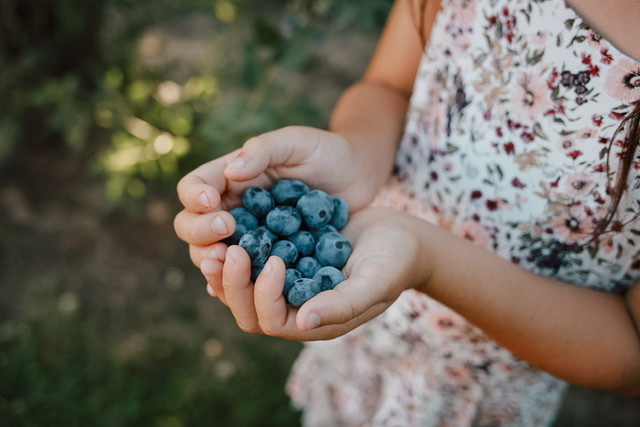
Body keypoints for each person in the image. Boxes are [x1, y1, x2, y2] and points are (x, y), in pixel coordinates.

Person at [174, 0, 640, 424]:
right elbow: (388, 86)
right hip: (366, 297)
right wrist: (357, 155)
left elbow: (630, 356)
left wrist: (427, 258)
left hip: (479, 378)